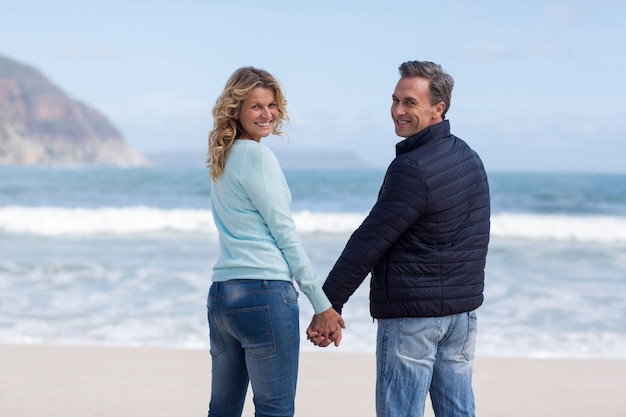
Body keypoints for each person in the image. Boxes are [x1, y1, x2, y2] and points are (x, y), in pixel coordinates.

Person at [307, 60, 490, 417]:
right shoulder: (469, 157)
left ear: (439, 108)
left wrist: (328, 305)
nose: (397, 111)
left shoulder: (413, 167)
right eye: (395, 100)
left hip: (414, 321)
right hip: (461, 317)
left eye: (409, 102)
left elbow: (370, 241)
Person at [206, 66, 344, 417]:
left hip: (223, 297)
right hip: (264, 296)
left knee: (222, 411)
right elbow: (284, 234)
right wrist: (322, 304)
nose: (267, 114)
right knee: (275, 411)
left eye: (272, 105)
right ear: (235, 110)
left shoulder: (222, 160)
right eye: (255, 106)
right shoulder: (258, 156)